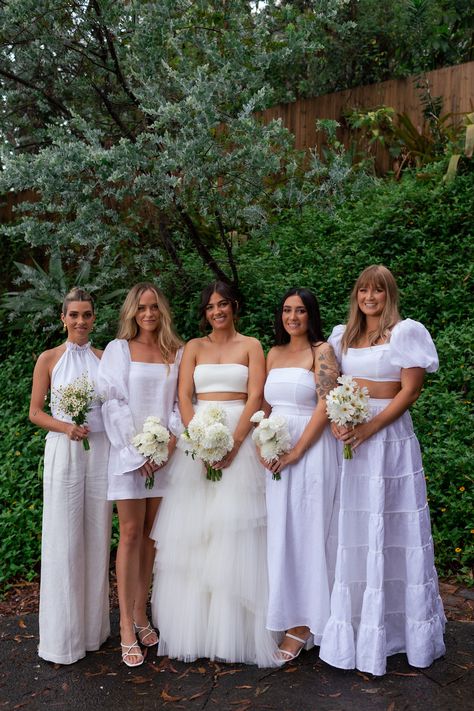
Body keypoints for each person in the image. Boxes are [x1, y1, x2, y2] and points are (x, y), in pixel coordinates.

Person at [319, 264, 445, 676]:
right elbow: (331, 381)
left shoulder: (406, 332)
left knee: (393, 526)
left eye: (377, 291)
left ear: (388, 294)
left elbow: (409, 390)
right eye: (362, 291)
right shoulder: (345, 336)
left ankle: (399, 631)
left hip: (388, 439)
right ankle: (355, 625)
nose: (369, 298)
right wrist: (339, 417)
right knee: (356, 528)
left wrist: (371, 425)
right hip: (351, 438)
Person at [151, 281, 279, 667]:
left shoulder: (252, 346)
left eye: (223, 304)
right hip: (199, 442)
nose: (217, 311)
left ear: (234, 307)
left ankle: (234, 631)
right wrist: (198, 440)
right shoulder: (193, 347)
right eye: (210, 306)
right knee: (196, 533)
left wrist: (235, 443)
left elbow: (256, 396)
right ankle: (196, 629)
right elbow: (184, 397)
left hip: (240, 438)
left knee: (235, 533)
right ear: (204, 312)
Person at [98, 283, 183, 667]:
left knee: (152, 538)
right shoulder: (118, 350)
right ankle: (127, 628)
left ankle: (142, 612)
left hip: (164, 458)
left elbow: (181, 404)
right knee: (130, 535)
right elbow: (111, 401)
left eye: (153, 308)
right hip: (128, 456)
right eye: (141, 308)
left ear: (161, 311)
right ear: (132, 312)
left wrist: (166, 446)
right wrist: (137, 452)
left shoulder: (175, 352)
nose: (147, 314)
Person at [29, 287, 112, 664]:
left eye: (87, 314)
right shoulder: (49, 359)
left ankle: (93, 632)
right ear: (62, 318)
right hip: (65, 452)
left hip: (100, 454)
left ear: (94, 318)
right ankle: (63, 639)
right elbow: (35, 413)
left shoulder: (103, 357)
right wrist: (65, 427)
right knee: (64, 538)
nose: (80, 321)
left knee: (97, 535)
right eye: (74, 315)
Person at [262, 288, 340, 662]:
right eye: (287, 310)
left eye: (300, 311)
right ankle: (285, 611)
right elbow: (263, 406)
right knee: (281, 533)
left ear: (311, 315)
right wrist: (264, 445)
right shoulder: (272, 353)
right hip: (275, 454)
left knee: (309, 531)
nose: (292, 317)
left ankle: (306, 623)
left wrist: (296, 451)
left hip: (310, 451)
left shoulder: (321, 351)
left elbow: (326, 403)